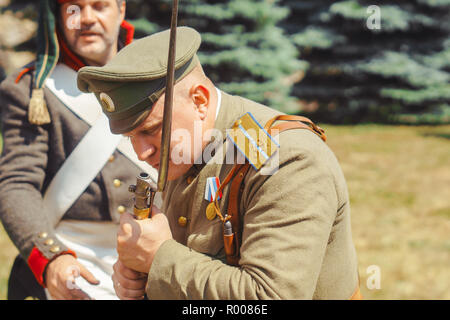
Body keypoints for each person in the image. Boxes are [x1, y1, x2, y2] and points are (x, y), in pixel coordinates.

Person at [77, 27, 361, 300]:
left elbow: (270, 298)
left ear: (199, 101)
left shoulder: (288, 161)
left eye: (150, 130)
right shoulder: (190, 144)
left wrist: (158, 259)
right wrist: (142, 279)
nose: (141, 152)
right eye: (130, 137)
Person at [0, 0, 156, 300]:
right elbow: (17, 185)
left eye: (99, 6)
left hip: (148, 257)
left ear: (121, 10)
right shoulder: (30, 89)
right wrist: (52, 257)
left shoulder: (155, 79)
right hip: (68, 253)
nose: (85, 19)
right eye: (73, 8)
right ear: (59, 15)